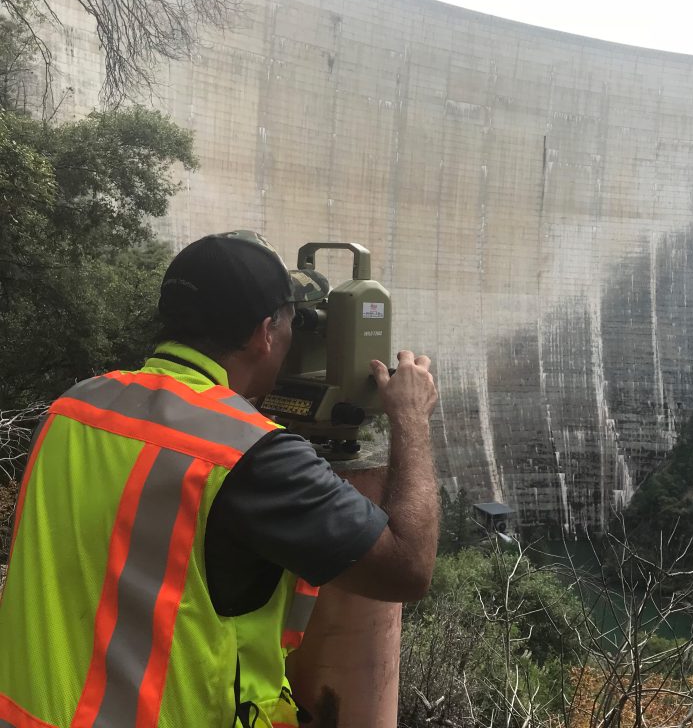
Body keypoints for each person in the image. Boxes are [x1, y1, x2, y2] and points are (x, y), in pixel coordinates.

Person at [0, 230, 439, 727]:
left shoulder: (74, 406)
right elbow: (408, 569)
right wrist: (410, 418)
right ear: (265, 333)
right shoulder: (252, 459)